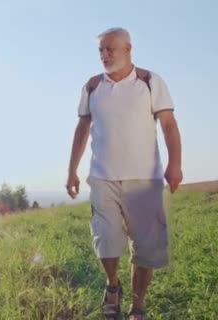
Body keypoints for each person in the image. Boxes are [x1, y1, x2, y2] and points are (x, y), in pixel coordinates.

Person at [66, 27, 182, 320]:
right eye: (101, 51)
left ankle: (138, 305)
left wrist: (174, 164)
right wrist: (72, 171)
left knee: (146, 247)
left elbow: (168, 124)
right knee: (106, 240)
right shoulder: (92, 86)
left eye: (110, 49)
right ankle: (113, 285)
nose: (104, 55)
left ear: (128, 49)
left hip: (145, 180)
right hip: (103, 177)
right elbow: (81, 130)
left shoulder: (150, 81)